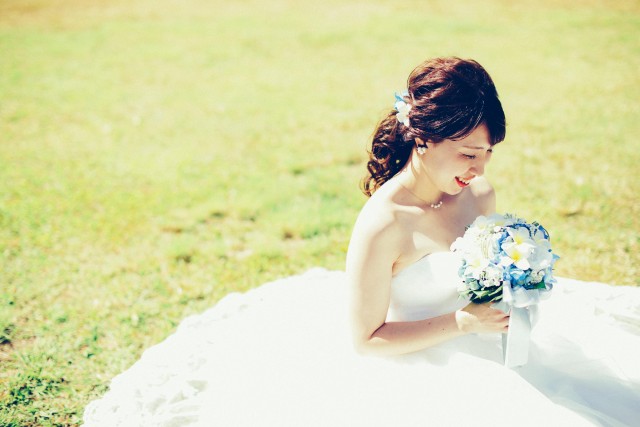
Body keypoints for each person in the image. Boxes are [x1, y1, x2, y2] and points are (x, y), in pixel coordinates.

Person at [83, 57, 640, 427]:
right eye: (468, 152)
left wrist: (511, 286)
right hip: (416, 362)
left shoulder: (479, 194)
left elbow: (480, 276)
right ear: (424, 139)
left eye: (488, 153)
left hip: (494, 342)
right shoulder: (383, 223)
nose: (479, 167)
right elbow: (366, 341)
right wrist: (461, 324)